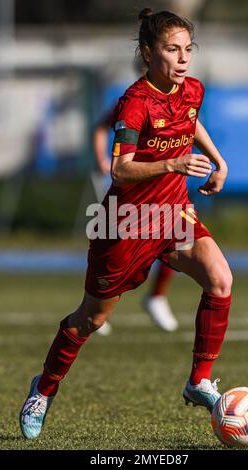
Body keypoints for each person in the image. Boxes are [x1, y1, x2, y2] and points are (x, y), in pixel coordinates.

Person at [19, 8, 232, 440]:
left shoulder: (193, 89)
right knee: (90, 320)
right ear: (148, 53)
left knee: (220, 279)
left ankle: (199, 381)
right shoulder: (134, 103)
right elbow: (120, 170)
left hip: (173, 213)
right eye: (172, 49)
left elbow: (190, 122)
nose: (183, 57)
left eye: (188, 48)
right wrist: (172, 162)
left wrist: (218, 159)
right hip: (127, 222)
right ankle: (43, 388)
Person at [93, 109, 178, 334]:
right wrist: (101, 157)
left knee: (181, 239)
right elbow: (101, 127)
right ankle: (97, 309)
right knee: (117, 248)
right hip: (130, 190)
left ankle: (157, 296)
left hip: (163, 187)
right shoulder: (133, 100)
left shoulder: (179, 97)